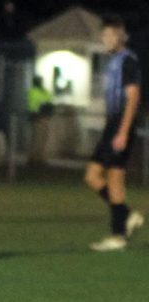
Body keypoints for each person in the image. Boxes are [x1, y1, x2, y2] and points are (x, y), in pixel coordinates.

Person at [85, 16, 143, 252]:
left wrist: (123, 131)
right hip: (112, 125)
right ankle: (127, 215)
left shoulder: (127, 60)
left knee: (115, 178)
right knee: (92, 176)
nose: (106, 39)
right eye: (104, 35)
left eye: (111, 35)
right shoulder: (112, 61)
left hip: (121, 124)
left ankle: (118, 235)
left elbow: (133, 97)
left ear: (121, 36)